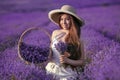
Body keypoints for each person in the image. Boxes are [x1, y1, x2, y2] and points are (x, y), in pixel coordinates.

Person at [45, 5, 85, 80]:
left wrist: (68, 61)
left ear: (72, 21)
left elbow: (82, 61)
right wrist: (46, 55)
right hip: (53, 70)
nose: (63, 22)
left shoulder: (77, 39)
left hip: (67, 72)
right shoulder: (55, 33)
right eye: (61, 19)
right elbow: (51, 50)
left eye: (67, 19)